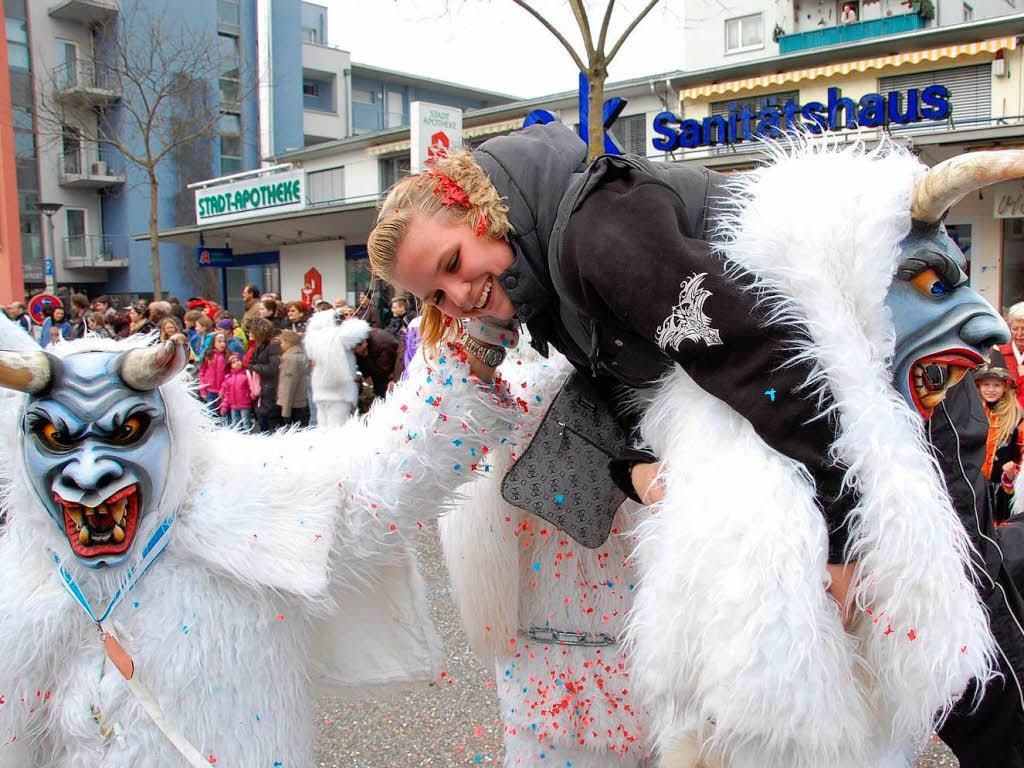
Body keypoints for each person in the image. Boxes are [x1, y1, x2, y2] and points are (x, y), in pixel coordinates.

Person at [367, 124, 1014, 764]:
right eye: (436, 296)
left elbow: (769, 364)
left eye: (453, 264)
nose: (459, 296)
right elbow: (616, 397)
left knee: (955, 629)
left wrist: (844, 534)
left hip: (882, 387)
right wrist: (633, 471)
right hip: (795, 423)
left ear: (479, 212)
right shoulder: (541, 288)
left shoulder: (598, 233)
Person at [974, 366, 1024, 523]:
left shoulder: (1016, 418)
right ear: (979, 386)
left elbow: (1021, 456)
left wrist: (1011, 474)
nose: (991, 390)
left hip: (1003, 492)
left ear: (1005, 387)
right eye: (986, 384)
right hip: (975, 486)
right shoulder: (971, 414)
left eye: (996, 385)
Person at [247, 317, 283, 432]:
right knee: (263, 423)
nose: (249, 333)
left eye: (250, 330)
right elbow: (250, 363)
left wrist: (255, 368)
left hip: (271, 391)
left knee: (272, 425)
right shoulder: (259, 346)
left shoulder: (273, 346)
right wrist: (254, 367)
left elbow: (274, 368)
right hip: (262, 391)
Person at [353, 327, 399, 400]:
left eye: (355, 349)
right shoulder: (361, 347)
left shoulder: (383, 343)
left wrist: (392, 380)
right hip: (379, 371)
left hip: (390, 373)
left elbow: (385, 369)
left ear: (364, 344)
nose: (354, 351)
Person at [276, 329, 310, 427]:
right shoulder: (302, 356)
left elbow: (288, 385)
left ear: (288, 342)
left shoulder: (290, 359)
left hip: (292, 404)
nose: (280, 345)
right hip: (302, 401)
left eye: (281, 342)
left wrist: (285, 411)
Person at [998, 302, 1024, 408]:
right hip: (1002, 412)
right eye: (1014, 329)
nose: (1019, 334)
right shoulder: (997, 351)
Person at [219, 352, 254, 431]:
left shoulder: (245, 374)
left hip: (245, 405)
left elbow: (251, 387)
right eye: (233, 362)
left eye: (238, 360)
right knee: (235, 425)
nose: (236, 363)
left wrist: (251, 395)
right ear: (230, 365)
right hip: (233, 406)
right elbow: (227, 395)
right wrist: (224, 406)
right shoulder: (229, 378)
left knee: (246, 424)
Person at [198, 332, 230, 414]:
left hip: (223, 391)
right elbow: (202, 373)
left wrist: (224, 388)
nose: (222, 344)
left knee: (224, 413)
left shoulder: (227, 356)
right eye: (219, 342)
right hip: (210, 389)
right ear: (213, 343)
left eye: (224, 342)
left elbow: (229, 375)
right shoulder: (208, 355)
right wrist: (203, 390)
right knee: (211, 412)